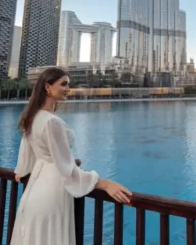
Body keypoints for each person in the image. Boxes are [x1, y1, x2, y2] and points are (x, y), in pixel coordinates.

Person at [10, 67, 131, 245]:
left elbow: (27, 150)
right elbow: (67, 169)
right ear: (47, 87)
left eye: (69, 84)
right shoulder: (52, 122)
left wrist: (22, 170)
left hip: (34, 189)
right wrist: (106, 184)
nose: (68, 88)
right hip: (52, 191)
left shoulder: (33, 117)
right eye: (64, 84)